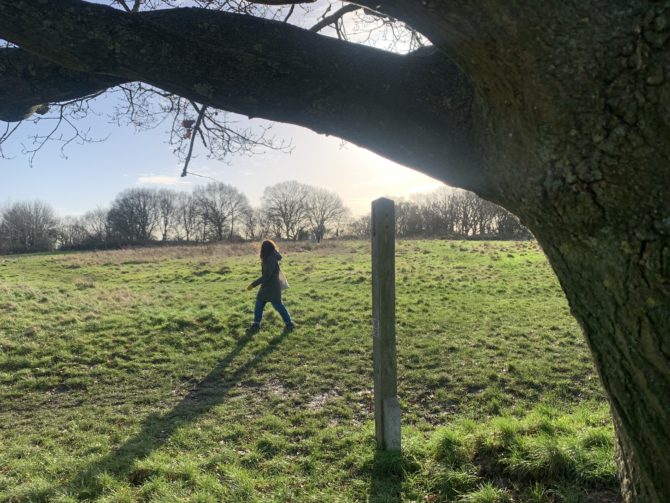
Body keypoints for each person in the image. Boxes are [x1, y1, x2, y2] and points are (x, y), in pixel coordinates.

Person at [246, 240, 294, 332]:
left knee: (278, 306)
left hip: (272, 287)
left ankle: (289, 324)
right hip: (266, 286)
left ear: (265, 249)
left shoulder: (271, 258)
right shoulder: (269, 257)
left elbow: (267, 275)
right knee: (259, 304)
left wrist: (253, 284)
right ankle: (256, 325)